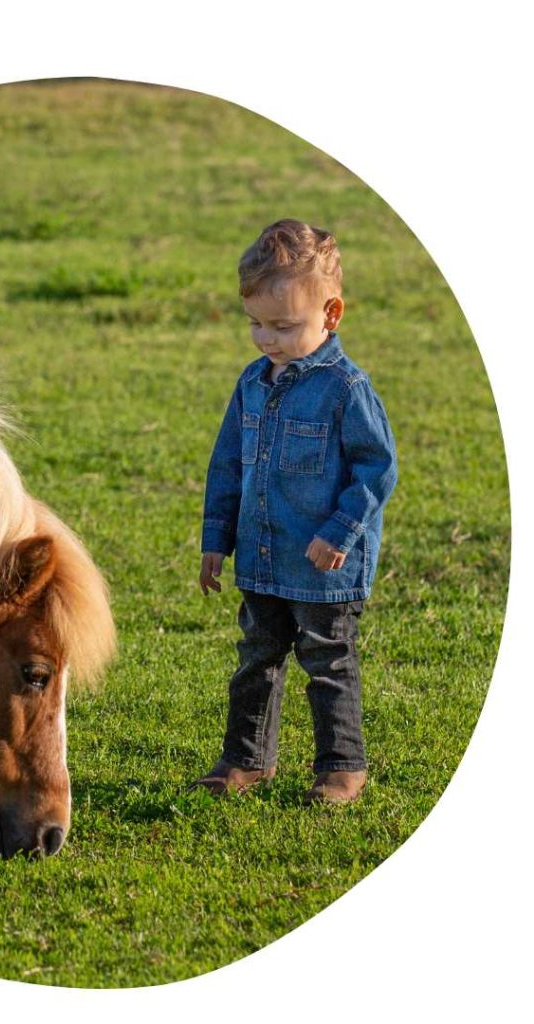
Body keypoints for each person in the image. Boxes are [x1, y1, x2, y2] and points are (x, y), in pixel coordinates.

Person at [195, 219, 397, 803]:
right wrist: (216, 540)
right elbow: (227, 465)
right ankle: (247, 760)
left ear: (331, 315)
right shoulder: (251, 385)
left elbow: (376, 469)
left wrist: (340, 532)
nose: (266, 339)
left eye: (283, 326)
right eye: (256, 323)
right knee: (256, 659)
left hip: (322, 567)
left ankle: (342, 767)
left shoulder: (345, 389)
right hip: (261, 556)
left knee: (327, 662)